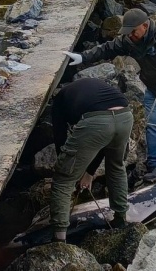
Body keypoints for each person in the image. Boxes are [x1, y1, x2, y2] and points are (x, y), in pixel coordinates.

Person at [64, 8, 156, 182]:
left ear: (145, 26)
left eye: (133, 32)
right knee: (152, 125)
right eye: (127, 33)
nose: (130, 36)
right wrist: (83, 57)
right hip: (154, 89)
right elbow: (109, 48)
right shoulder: (130, 40)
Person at [50, 77, 133, 242]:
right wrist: (88, 172)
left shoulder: (59, 102)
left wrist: (72, 170)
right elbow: (103, 143)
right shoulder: (89, 88)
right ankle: (120, 219)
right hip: (125, 116)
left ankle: (59, 239)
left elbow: (61, 141)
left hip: (98, 121)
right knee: (116, 167)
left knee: (63, 179)